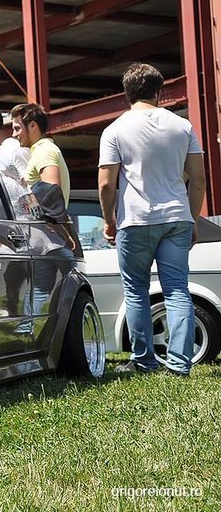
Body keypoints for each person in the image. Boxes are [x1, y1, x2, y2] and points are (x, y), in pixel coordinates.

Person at [98, 62, 206, 376]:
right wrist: (193, 219)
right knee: (177, 289)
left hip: (136, 219)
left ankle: (144, 360)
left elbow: (106, 183)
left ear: (126, 94)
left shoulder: (115, 129)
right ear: (159, 92)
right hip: (177, 218)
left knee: (135, 290)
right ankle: (179, 364)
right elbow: (198, 179)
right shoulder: (182, 126)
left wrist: (108, 219)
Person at [11, 103, 70, 207]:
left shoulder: (44, 150)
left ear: (33, 125)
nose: (14, 134)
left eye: (17, 129)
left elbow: (52, 196)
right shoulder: (42, 150)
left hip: (47, 223)